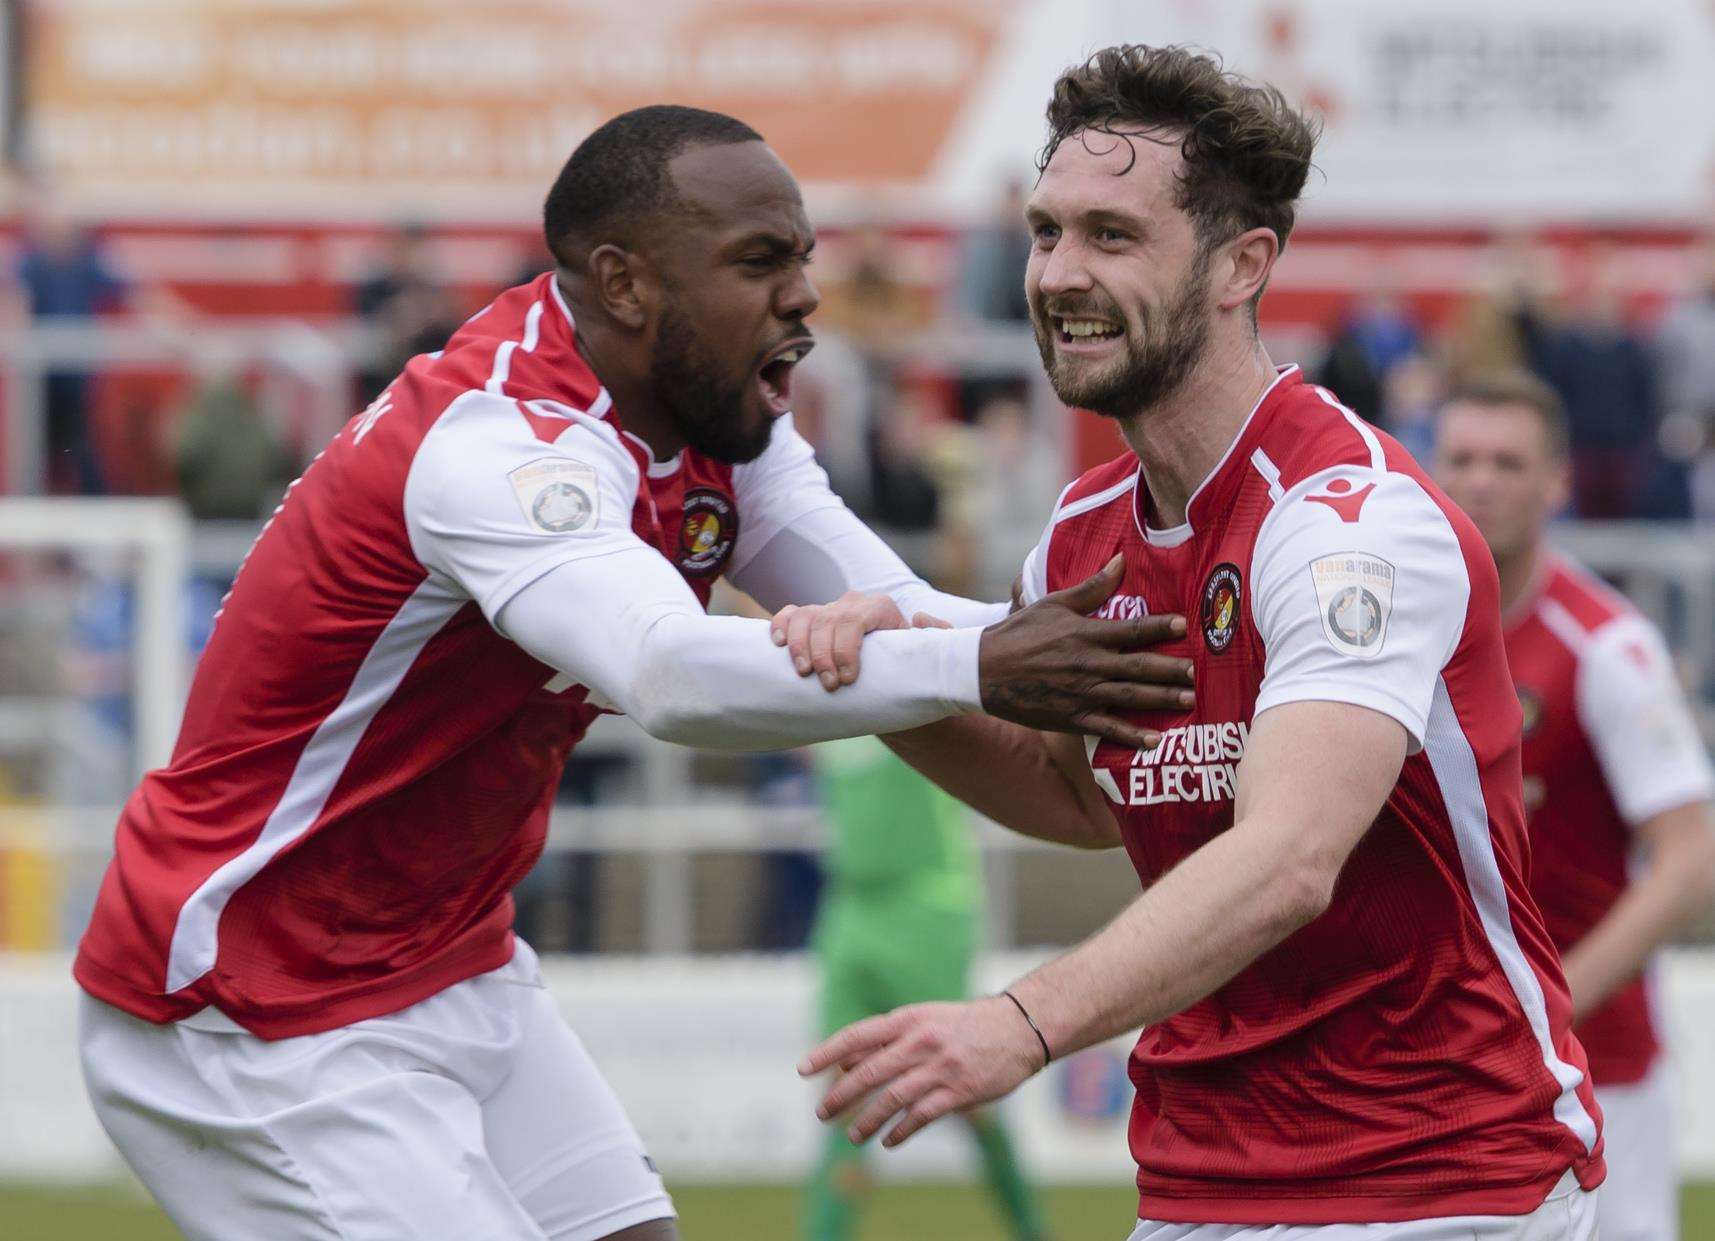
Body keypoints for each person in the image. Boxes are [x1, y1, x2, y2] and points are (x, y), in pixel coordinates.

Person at [71, 105, 1194, 1241]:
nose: (801, 294)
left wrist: (1146, 646)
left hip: (444, 957)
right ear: (624, 283)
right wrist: (985, 662)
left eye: (800, 258)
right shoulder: (501, 442)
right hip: (249, 999)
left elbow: (891, 601)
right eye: (757, 261)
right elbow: (666, 673)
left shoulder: (717, 418)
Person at [795, 46, 1604, 1239]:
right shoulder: (1078, 537)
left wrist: (1017, 1021)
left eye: (1110, 237)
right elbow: (1071, 792)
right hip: (1197, 1174)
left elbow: (1285, 857)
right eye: (1044, 230)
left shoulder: (1347, 520)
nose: (1058, 274)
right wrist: (883, 676)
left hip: (1439, 1175)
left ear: (1241, 266)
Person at [1435, 370, 1715, 1241]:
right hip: (1437, 1073)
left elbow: (1691, 860)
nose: (1481, 480)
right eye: (1462, 458)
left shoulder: (1605, 644)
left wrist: (1550, 1005)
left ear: (1558, 482)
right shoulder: (1397, 640)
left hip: (1595, 1073)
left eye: (1507, 462)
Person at [805, 736, 1048, 1241]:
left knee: (966, 1088)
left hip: (927, 907)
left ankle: (1031, 1232)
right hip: (851, 907)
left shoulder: (903, 685)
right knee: (844, 1091)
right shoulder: (819, 710)